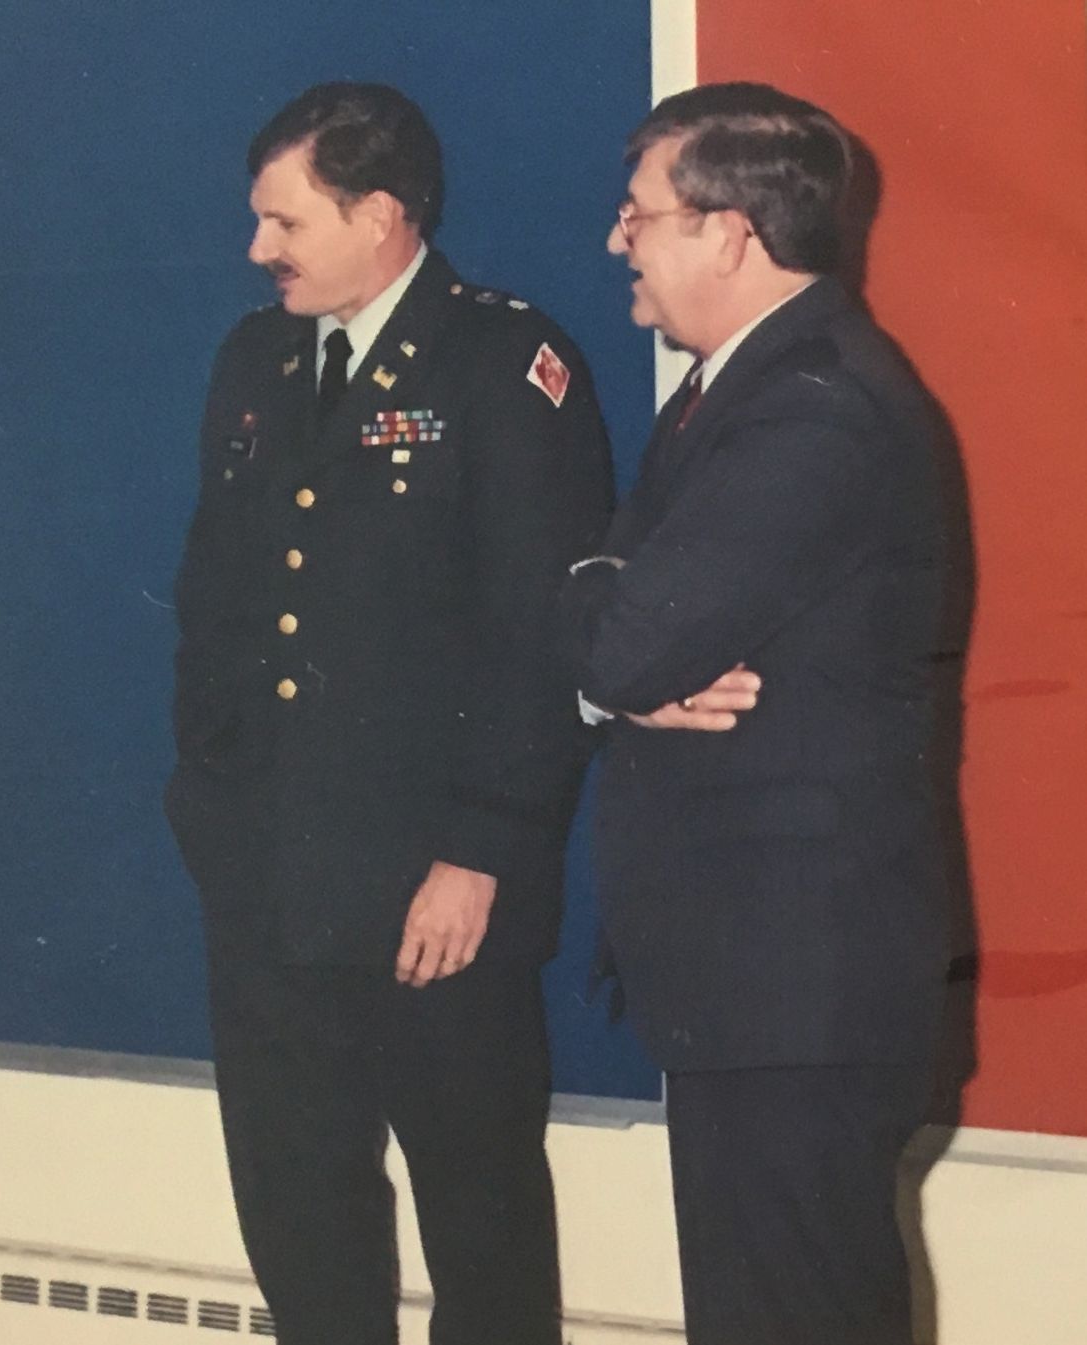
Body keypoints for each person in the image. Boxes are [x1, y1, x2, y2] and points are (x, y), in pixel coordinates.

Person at [166, 82, 613, 1345]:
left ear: (379, 214)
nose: (257, 248)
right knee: (298, 1220)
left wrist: (480, 851)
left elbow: (541, 637)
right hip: (269, 883)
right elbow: (215, 600)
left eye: (284, 221)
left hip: (435, 895)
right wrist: (209, 802)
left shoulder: (500, 363)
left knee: (480, 1228)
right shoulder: (255, 360)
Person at [561, 83, 952, 1345]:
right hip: (762, 983)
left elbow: (621, 637)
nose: (617, 239)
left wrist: (607, 609)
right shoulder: (733, 391)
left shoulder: (808, 405)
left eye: (638, 214)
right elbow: (625, 621)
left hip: (797, 986)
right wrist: (618, 623)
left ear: (728, 233)